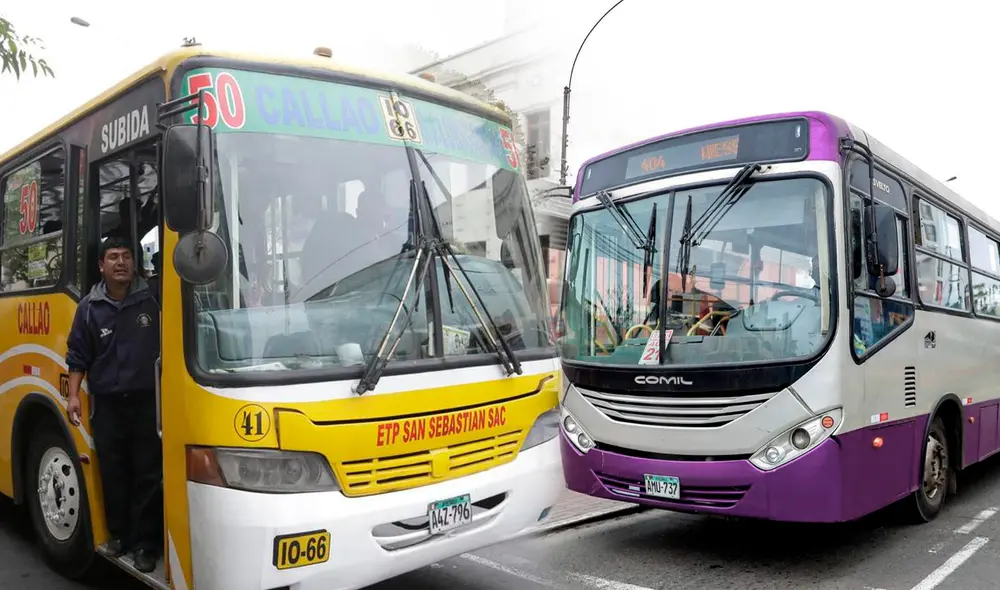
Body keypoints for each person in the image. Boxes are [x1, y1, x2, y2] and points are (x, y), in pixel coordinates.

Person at [65, 237, 162, 573]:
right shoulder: (89, 309)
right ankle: (119, 537)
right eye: (113, 257)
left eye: (126, 256)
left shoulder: (153, 298)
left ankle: (145, 545)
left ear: (134, 263)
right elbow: (78, 356)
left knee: (147, 474)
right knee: (114, 473)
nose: (121, 263)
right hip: (107, 405)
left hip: (147, 403)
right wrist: (73, 396)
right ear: (101, 266)